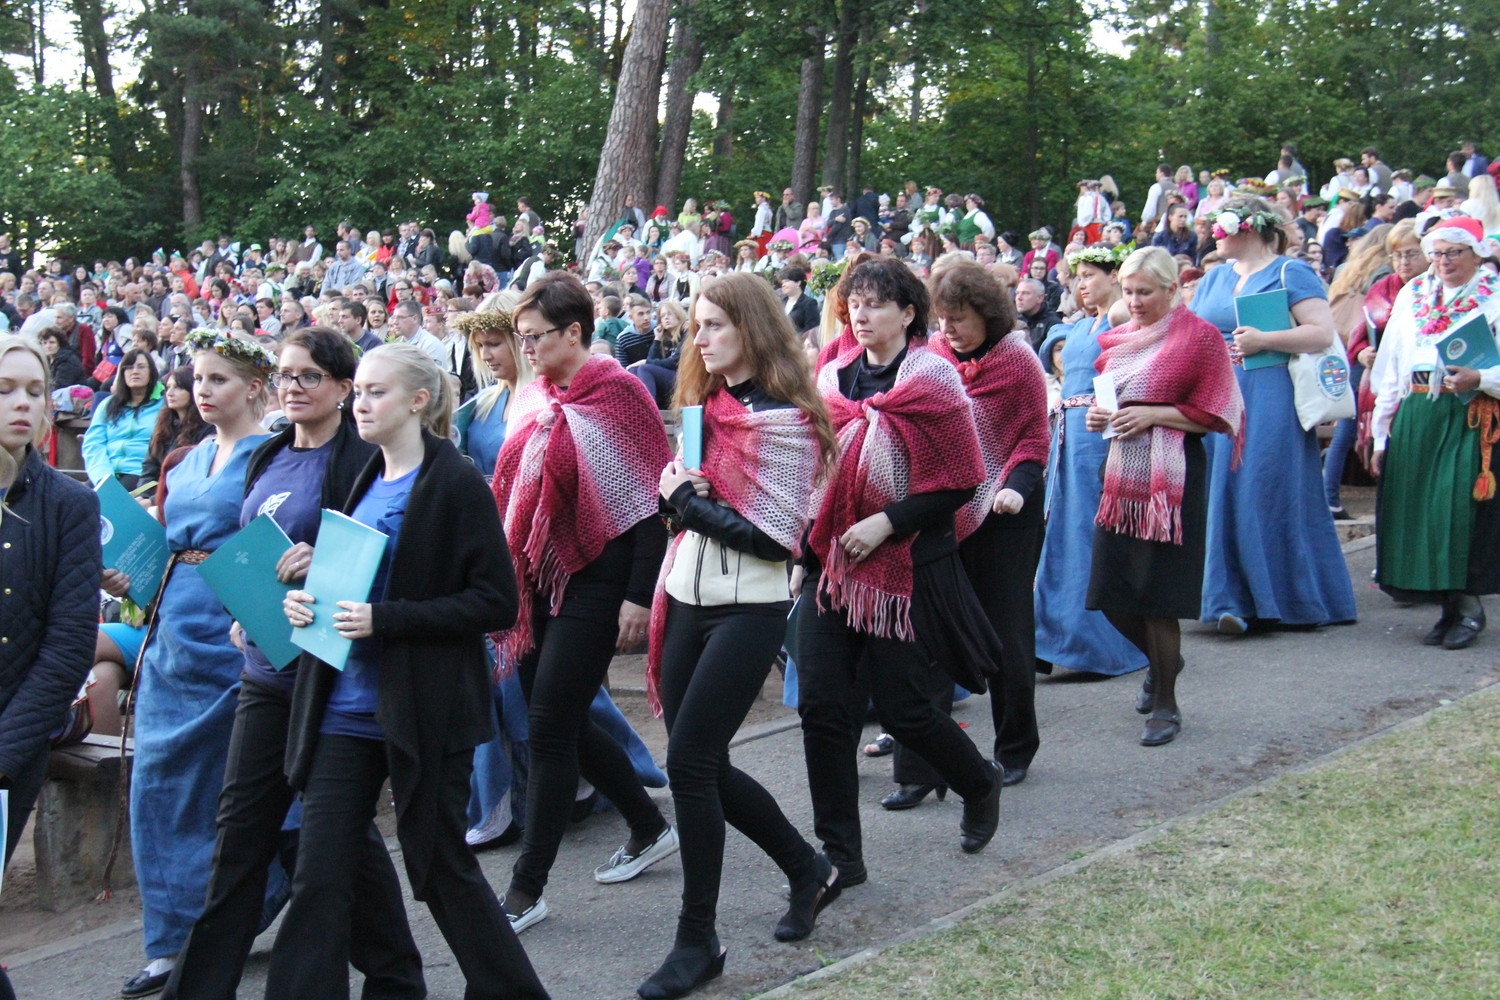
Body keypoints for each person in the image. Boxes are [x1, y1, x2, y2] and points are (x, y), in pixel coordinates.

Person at [270, 343, 549, 1000]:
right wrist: (307, 593)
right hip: (342, 708)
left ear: (417, 402)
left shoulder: (453, 480)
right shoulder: (363, 476)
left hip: (422, 707)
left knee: (441, 868)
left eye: (375, 392)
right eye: (358, 391)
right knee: (318, 875)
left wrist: (385, 619)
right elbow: (353, 575)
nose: (359, 403)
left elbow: (495, 601)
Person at [162, 328, 425, 1000]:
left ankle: (395, 977)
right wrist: (241, 607)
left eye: (311, 376)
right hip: (263, 668)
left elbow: (381, 552)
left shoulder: (359, 461)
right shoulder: (270, 454)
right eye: (286, 375)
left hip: (325, 675)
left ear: (342, 388)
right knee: (240, 839)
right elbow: (254, 543)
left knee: (336, 841)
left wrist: (322, 561)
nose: (294, 387)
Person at [637, 274, 841, 999]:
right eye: (696, 325)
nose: (701, 338)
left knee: (690, 763)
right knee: (703, 764)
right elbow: (685, 507)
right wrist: (677, 495)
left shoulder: (787, 419)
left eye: (715, 324)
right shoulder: (705, 408)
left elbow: (774, 540)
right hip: (687, 592)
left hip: (749, 606)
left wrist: (686, 501)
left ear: (751, 327)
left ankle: (699, 939)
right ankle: (807, 867)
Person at [796, 257, 1003, 888]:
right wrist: (806, 556)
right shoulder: (831, 380)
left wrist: (888, 521)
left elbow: (963, 479)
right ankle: (842, 856)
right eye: (854, 302)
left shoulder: (934, 380)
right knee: (822, 708)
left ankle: (978, 781)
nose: (861, 313)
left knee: (906, 711)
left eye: (877, 303)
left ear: (909, 313)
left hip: (906, 568)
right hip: (835, 568)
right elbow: (817, 476)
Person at [491, 273, 677, 934]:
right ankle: (650, 825)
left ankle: (527, 887)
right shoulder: (539, 395)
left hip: (603, 578)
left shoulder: (620, 392)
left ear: (575, 332)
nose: (527, 348)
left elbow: (653, 501)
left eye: (536, 336)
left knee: (546, 724)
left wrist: (635, 596)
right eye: (522, 337)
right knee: (560, 719)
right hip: (543, 576)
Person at [122, 331, 276, 998]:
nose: (204, 391)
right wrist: (124, 574)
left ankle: (243, 909)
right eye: (199, 380)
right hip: (173, 624)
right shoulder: (181, 462)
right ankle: (168, 936)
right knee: (157, 782)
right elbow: (161, 544)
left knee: (234, 782)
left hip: (237, 616)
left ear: (251, 386)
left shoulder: (273, 453)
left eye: (219, 379)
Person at [1084, 248, 1243, 745]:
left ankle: (1166, 704)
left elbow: (1218, 414)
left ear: (1172, 290)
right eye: (1128, 291)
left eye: (1145, 292)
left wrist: (1155, 414)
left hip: (1172, 479)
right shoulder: (1120, 340)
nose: (1134, 301)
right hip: (1121, 475)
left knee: (1158, 598)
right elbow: (1111, 401)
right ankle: (1164, 661)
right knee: (1110, 595)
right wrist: (1099, 415)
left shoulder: (1200, 338)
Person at [1191, 196, 1357, 632]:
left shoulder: (1290, 271)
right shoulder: (1214, 278)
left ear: (1246, 227)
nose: (1213, 235)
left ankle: (1281, 599)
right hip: (1218, 393)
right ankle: (1227, 599)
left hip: (1269, 392)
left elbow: (1321, 333)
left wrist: (1266, 339)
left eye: (1219, 227)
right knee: (1221, 490)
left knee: (1262, 486)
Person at [926, 258, 1050, 786]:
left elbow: (1031, 440)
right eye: (942, 318)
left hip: (1008, 516)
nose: (948, 329)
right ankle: (926, 753)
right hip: (945, 514)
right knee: (933, 633)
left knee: (1008, 636)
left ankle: (1016, 748)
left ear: (988, 315)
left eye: (959, 318)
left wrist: (1012, 490)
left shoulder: (1018, 362)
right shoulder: (932, 358)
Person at [1371, 217, 1500, 649]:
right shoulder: (1413, 294)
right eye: (1437, 253)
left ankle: (1468, 606)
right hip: (1418, 409)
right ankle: (1446, 605)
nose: (1443, 262)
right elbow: (1391, 363)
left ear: (1476, 254)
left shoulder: (1495, 296)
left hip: (1468, 413)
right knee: (1420, 508)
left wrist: (1480, 376)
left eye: (1453, 252)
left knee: (1458, 509)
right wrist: (1379, 431)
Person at [0, 334, 102, 874]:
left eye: (36, 391)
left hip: (13, 740)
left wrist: (6, 754)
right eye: (5, 389)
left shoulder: (71, 504)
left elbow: (68, 646)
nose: (23, 402)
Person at [1034, 245, 1147, 676]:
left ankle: (1100, 643)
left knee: (1091, 530)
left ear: (1115, 275)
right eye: (1076, 276)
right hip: (1068, 434)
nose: (1080, 283)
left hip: (1102, 434)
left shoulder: (1125, 319)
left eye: (1090, 274)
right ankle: (1052, 636)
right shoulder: (1078, 326)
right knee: (1062, 529)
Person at [81, 348, 165, 489]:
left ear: (152, 371)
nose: (134, 371)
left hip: (142, 474)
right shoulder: (107, 405)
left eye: (141, 367)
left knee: (112, 506)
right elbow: (93, 443)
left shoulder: (164, 404)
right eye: (129, 367)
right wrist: (103, 476)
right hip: (106, 474)